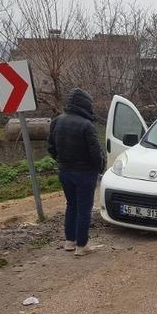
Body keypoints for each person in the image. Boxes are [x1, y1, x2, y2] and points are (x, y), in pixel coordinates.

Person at [47, 88, 105, 257]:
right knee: (84, 209)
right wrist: (99, 168)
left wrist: (60, 161)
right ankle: (82, 245)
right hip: (85, 173)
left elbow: (51, 147)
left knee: (71, 205)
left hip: (65, 171)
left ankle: (69, 242)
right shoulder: (87, 125)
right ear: (85, 104)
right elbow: (96, 152)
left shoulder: (57, 121)